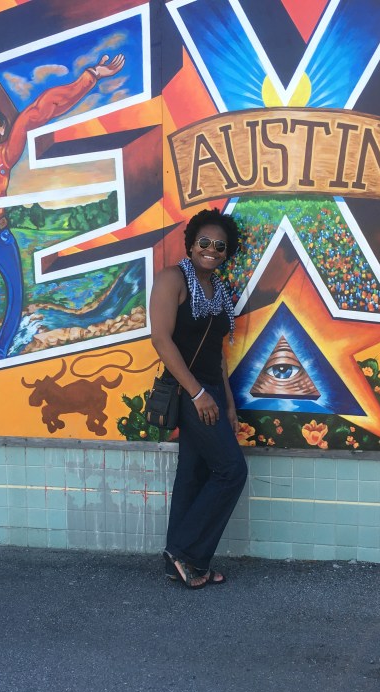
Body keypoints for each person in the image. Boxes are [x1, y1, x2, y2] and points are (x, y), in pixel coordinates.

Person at [0, 53, 125, 366]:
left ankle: (0, 352)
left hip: (0, 236)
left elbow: (40, 111)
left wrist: (92, 76)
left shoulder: (6, 154)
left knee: (16, 293)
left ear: (2, 126)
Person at [149, 208, 248, 589]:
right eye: (204, 242)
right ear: (191, 245)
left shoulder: (218, 289)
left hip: (210, 391)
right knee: (231, 471)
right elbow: (161, 339)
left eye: (220, 246)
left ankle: (179, 558)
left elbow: (217, 354)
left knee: (193, 473)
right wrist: (198, 393)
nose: (211, 250)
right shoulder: (172, 279)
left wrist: (228, 403)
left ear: (227, 253)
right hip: (188, 389)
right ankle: (188, 554)